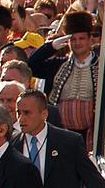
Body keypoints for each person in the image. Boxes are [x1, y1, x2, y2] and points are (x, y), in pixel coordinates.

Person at [34, 10, 101, 138]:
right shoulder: (59, 65)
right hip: (61, 131)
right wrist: (52, 46)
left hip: (92, 132)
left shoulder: (101, 65)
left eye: (81, 38)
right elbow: (32, 64)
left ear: (89, 39)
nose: (77, 43)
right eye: (73, 39)